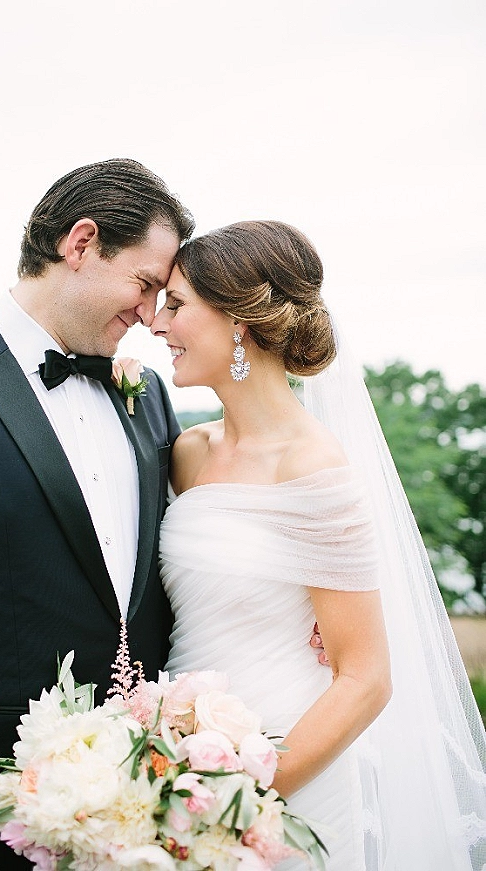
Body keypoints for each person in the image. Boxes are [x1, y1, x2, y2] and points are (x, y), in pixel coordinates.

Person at [151, 220, 486, 870]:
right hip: (173, 759)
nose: (157, 324)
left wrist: (241, 798)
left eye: (176, 304)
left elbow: (366, 677)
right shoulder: (189, 453)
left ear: (238, 319)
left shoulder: (313, 467)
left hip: (286, 774)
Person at [0, 158, 194, 871]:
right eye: (145, 283)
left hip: (144, 810)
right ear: (81, 242)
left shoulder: (149, 397)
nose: (150, 315)